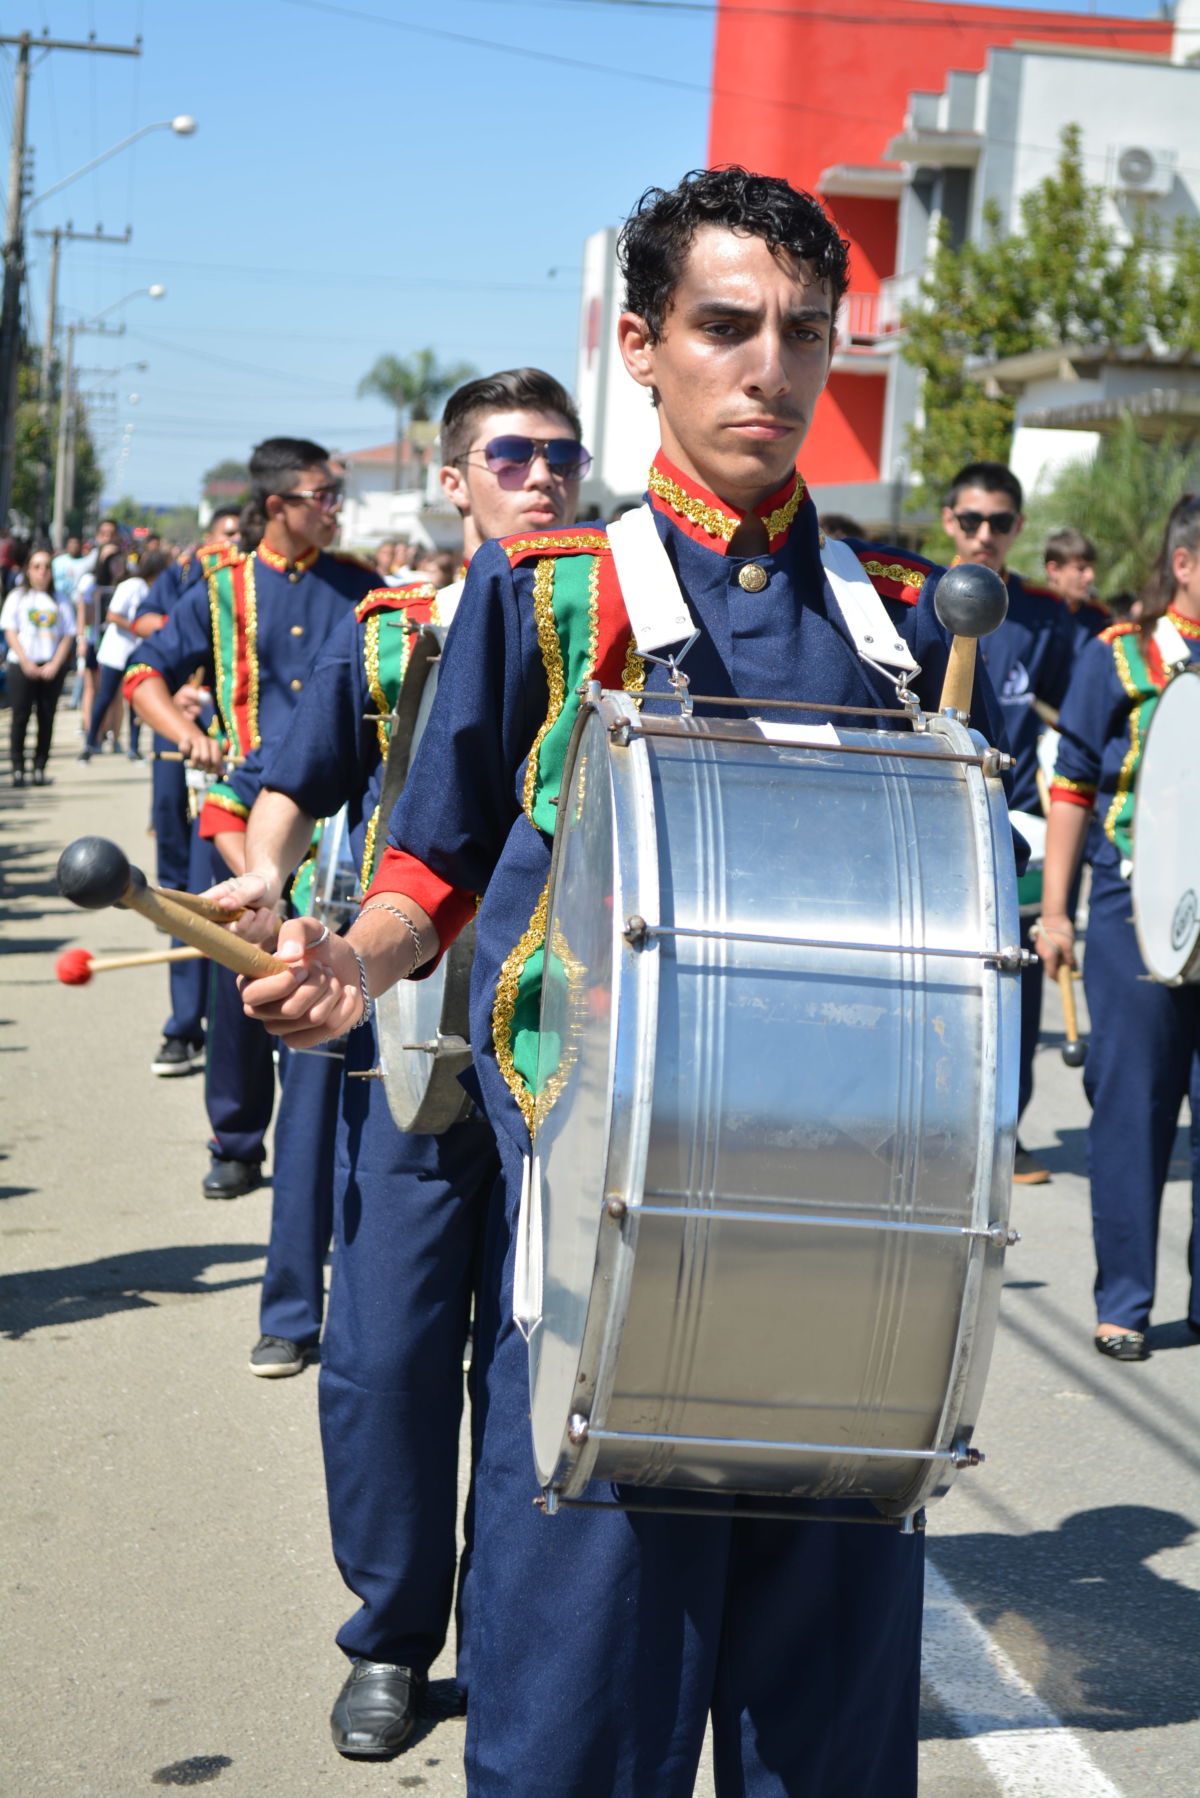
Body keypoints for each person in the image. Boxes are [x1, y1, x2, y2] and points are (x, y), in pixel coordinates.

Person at [238, 168, 1010, 1798]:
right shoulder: (553, 589)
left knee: (828, 1751)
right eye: (728, 329)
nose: (772, 369)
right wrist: (345, 960)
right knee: (576, 1732)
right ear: (644, 348)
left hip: (839, 1282)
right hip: (597, 1265)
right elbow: (430, 864)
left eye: (807, 334)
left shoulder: (882, 616)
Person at [204, 368, 585, 1757]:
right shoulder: (392, 636)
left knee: (542, 1357)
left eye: (559, 452)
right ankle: (390, 1635)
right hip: (416, 1041)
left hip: (570, 1050)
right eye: (508, 454)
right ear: (454, 477)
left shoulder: (620, 621)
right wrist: (269, 881)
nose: (538, 476)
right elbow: (285, 788)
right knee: (386, 1355)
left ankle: (512, 1630)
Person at [125, 438, 379, 1199]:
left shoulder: (365, 589)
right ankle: (236, 1139)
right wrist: (188, 736)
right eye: (321, 496)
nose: (334, 508)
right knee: (237, 991)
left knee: (335, 977)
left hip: (335, 823)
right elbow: (143, 674)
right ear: (276, 507)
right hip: (237, 816)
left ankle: (332, 1153)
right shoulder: (221, 587)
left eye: (337, 495)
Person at [1036, 491, 1200, 1361]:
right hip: (1130, 909)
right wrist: (1056, 911)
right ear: (1184, 564)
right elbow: (1073, 787)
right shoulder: (1117, 656)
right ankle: (1125, 1304)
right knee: (1133, 1108)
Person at [942, 461, 1075, 1187]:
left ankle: (1007, 1133)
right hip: (934, 818)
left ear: (1017, 529)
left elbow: (1073, 721)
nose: (984, 534)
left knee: (1014, 983)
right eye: (971, 520)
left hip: (1014, 827)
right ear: (948, 523)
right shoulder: (912, 600)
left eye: (999, 522)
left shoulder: (1050, 619)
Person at [79, 551, 171, 762]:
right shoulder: (132, 586)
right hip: (117, 652)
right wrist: (139, 627)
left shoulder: (155, 590)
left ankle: (134, 747)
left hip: (139, 653)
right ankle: (90, 743)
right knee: (105, 697)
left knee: (137, 701)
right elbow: (112, 615)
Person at [2, 547, 76, 785]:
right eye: (37, 567)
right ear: (29, 570)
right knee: (20, 717)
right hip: (22, 664)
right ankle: (17, 768)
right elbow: (10, 631)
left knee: (46, 718)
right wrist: (25, 660)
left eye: (46, 567)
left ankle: (39, 767)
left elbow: (68, 634)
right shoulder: (18, 597)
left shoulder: (59, 599)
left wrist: (55, 663)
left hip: (50, 666)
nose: (42, 572)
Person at [1042, 525, 1109, 650]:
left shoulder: (1098, 619)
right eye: (1081, 569)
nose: (1090, 576)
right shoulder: (1033, 615)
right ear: (1053, 570)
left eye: (1091, 568)